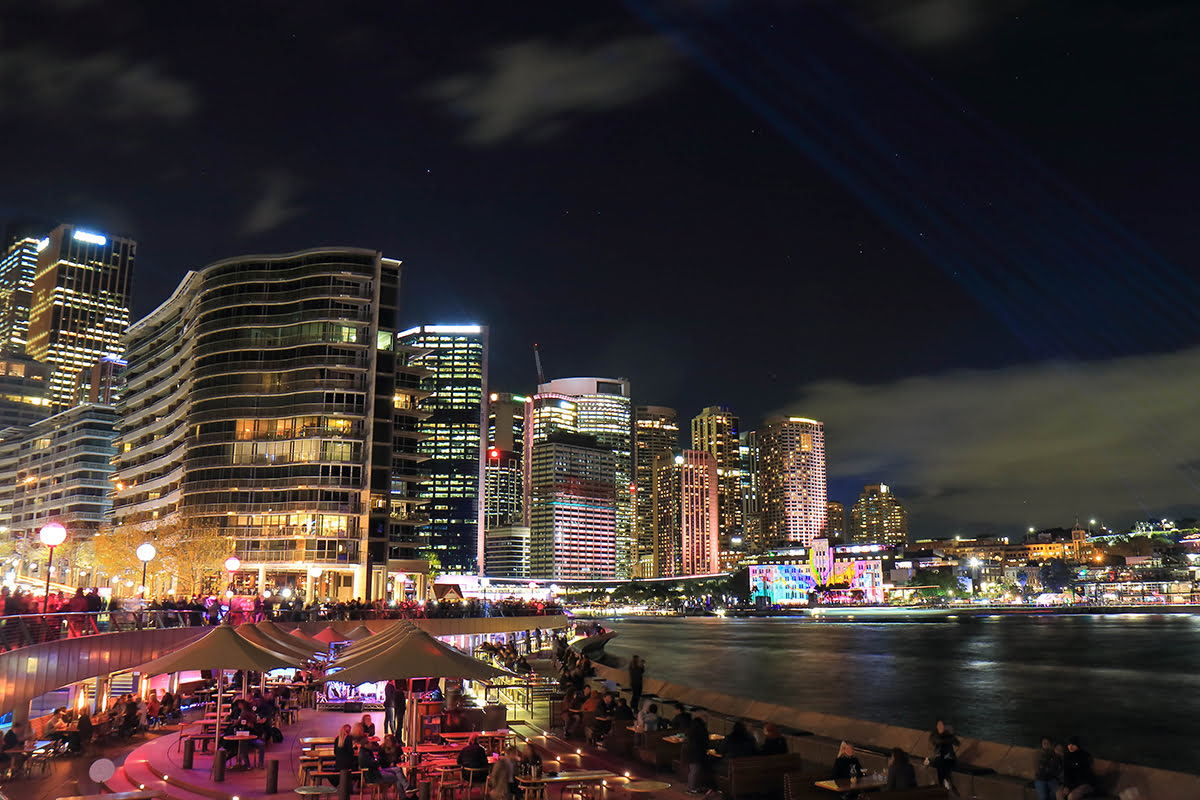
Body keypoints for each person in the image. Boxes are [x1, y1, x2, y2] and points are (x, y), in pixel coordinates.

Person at [927, 719, 960, 794]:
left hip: (949, 759)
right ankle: (947, 783)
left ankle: (943, 784)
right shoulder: (936, 735)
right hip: (942, 759)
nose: (940, 727)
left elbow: (957, 743)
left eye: (942, 726)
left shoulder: (947, 735)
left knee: (941, 765)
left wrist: (951, 735)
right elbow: (934, 742)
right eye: (939, 726)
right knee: (940, 764)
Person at [684, 716, 711, 794]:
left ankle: (691, 787)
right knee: (695, 771)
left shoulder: (691, 731)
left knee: (693, 771)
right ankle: (692, 788)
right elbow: (706, 741)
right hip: (700, 753)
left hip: (692, 753)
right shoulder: (703, 731)